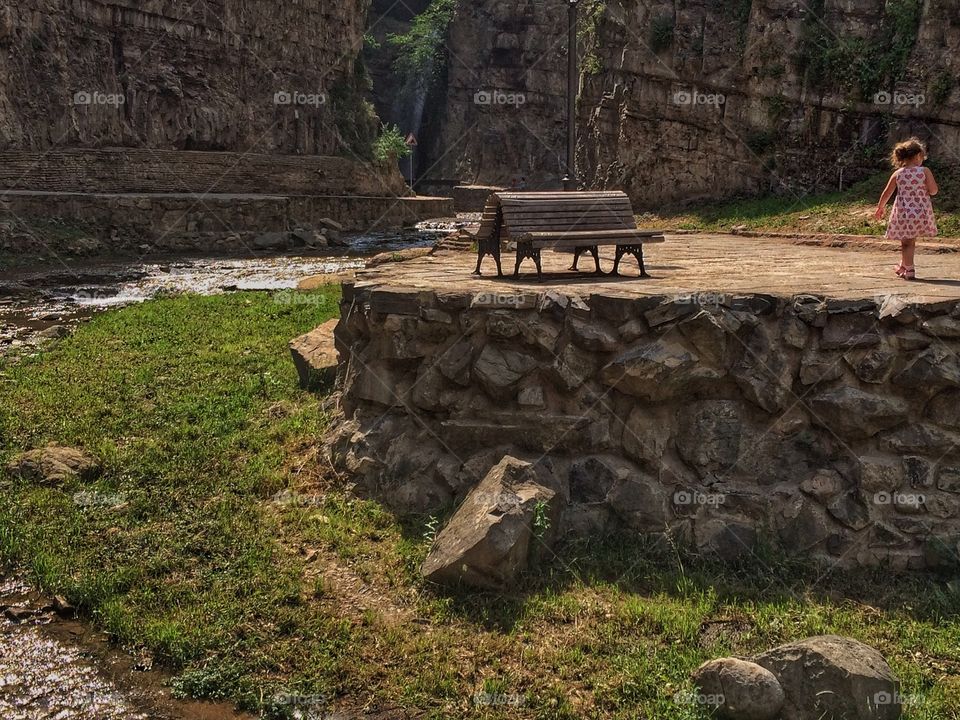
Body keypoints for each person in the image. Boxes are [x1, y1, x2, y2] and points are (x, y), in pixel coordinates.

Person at [875, 137, 938, 280]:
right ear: (917, 156)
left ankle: (908, 268)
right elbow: (934, 190)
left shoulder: (898, 173)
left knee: (906, 242)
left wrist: (880, 207)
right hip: (920, 212)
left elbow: (887, 193)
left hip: (903, 213)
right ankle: (905, 265)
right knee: (910, 240)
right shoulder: (924, 171)